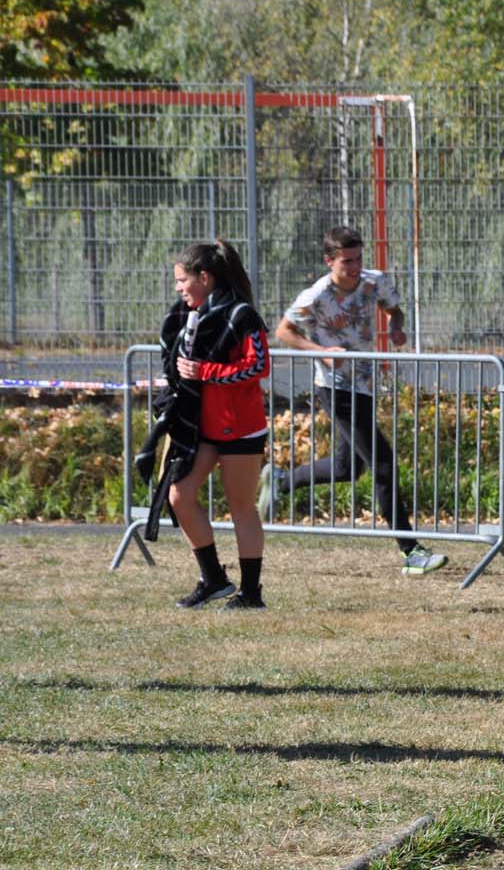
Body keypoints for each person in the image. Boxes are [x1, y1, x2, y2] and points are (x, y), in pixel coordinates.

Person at [261, 226, 447, 576]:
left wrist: (396, 327)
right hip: (334, 387)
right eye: (347, 261)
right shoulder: (317, 294)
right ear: (329, 260)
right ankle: (411, 551)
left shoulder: (374, 282)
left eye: (359, 258)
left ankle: (283, 480)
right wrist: (322, 352)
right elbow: (284, 330)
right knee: (383, 464)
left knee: (350, 468)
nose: (355, 266)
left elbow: (395, 311)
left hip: (365, 383)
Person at [162, 238, 270, 609]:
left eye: (182, 280)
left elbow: (258, 366)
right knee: (180, 495)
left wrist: (206, 371)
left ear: (204, 277)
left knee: (241, 507)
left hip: (242, 427)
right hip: (204, 428)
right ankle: (214, 580)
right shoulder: (188, 316)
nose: (178, 288)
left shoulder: (242, 315)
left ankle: (251, 594)